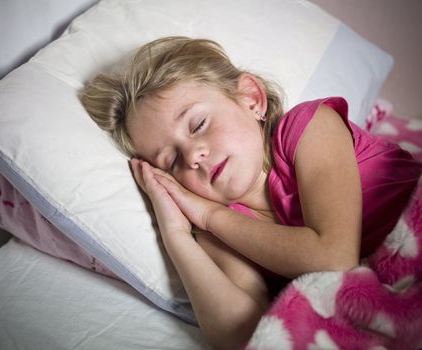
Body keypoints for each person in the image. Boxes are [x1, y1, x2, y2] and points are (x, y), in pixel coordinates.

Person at [81, 36, 421, 349]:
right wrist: (177, 234)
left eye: (198, 124)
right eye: (172, 161)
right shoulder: (221, 231)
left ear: (251, 99)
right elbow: (246, 333)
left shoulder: (308, 127)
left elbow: (333, 258)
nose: (193, 156)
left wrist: (211, 215)